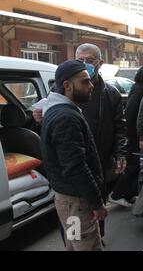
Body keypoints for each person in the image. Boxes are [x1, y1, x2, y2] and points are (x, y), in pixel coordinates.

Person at [34, 43, 127, 236]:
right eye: (80, 60)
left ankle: (94, 239)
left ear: (100, 63)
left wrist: (120, 153)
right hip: (72, 173)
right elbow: (56, 132)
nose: (84, 64)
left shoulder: (111, 94)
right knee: (77, 227)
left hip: (97, 165)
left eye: (90, 61)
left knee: (93, 220)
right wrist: (41, 118)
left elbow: (120, 128)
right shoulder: (61, 92)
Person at [40, 60, 107, 251]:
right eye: (85, 82)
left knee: (74, 244)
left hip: (69, 202)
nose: (91, 85)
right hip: (77, 205)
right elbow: (75, 167)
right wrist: (96, 203)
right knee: (87, 246)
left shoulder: (56, 110)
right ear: (67, 86)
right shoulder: (66, 118)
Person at [108, 66, 143, 207]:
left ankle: (129, 194)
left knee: (135, 165)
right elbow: (131, 112)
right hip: (134, 135)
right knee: (132, 165)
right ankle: (117, 194)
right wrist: (135, 135)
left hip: (135, 134)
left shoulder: (139, 88)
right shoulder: (140, 90)